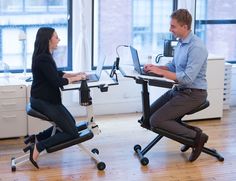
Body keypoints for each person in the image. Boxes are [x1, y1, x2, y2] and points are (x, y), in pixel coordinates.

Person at [144, 9, 208, 161]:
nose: (170, 29)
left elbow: (187, 78)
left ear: (185, 27)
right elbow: (173, 66)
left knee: (156, 121)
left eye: (173, 26)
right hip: (180, 90)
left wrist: (161, 73)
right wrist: (157, 68)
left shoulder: (196, 47)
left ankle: (197, 137)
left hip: (194, 93)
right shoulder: (181, 43)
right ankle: (188, 138)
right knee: (147, 117)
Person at [24, 27, 87, 168]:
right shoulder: (43, 58)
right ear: (48, 40)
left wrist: (74, 75)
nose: (59, 39)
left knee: (69, 123)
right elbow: (56, 82)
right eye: (56, 37)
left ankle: (37, 138)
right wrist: (77, 78)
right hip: (44, 101)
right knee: (72, 133)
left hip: (45, 99)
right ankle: (39, 147)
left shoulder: (44, 55)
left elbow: (55, 74)